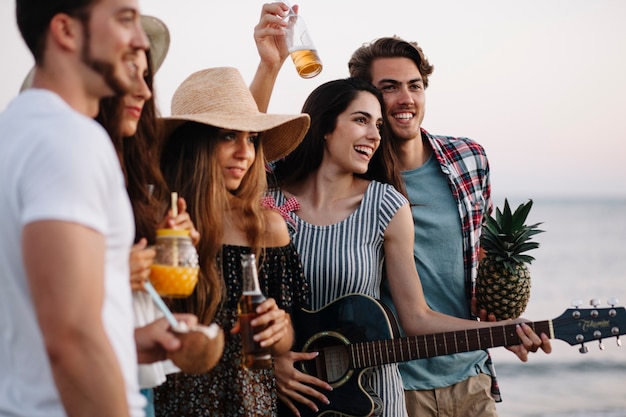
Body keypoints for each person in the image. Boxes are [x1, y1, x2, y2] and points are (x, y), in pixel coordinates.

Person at [0, 1, 197, 417]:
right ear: (66, 32)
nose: (140, 39)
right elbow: (72, 339)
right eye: (124, 19)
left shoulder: (16, 131)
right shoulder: (71, 140)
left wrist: (130, 341)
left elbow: (40, 321)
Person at [347, 36, 554, 416]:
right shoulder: (349, 176)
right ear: (366, 98)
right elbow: (264, 170)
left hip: (471, 378)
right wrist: (270, 64)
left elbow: (482, 252)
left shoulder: (469, 158)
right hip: (391, 385)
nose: (405, 98)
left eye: (415, 85)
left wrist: (501, 322)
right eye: (388, 88)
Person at [153, 67, 311, 417]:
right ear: (192, 146)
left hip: (249, 403)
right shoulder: (159, 225)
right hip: (170, 401)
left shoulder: (267, 227)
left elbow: (286, 343)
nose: (245, 152)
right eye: (228, 136)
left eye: (252, 138)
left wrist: (280, 328)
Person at [95, 16, 223, 417]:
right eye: (130, 71)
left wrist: (170, 244)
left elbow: (153, 287)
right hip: (85, 379)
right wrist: (117, 269)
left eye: (147, 75)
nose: (146, 90)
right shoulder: (68, 165)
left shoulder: (141, 182)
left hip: (137, 379)